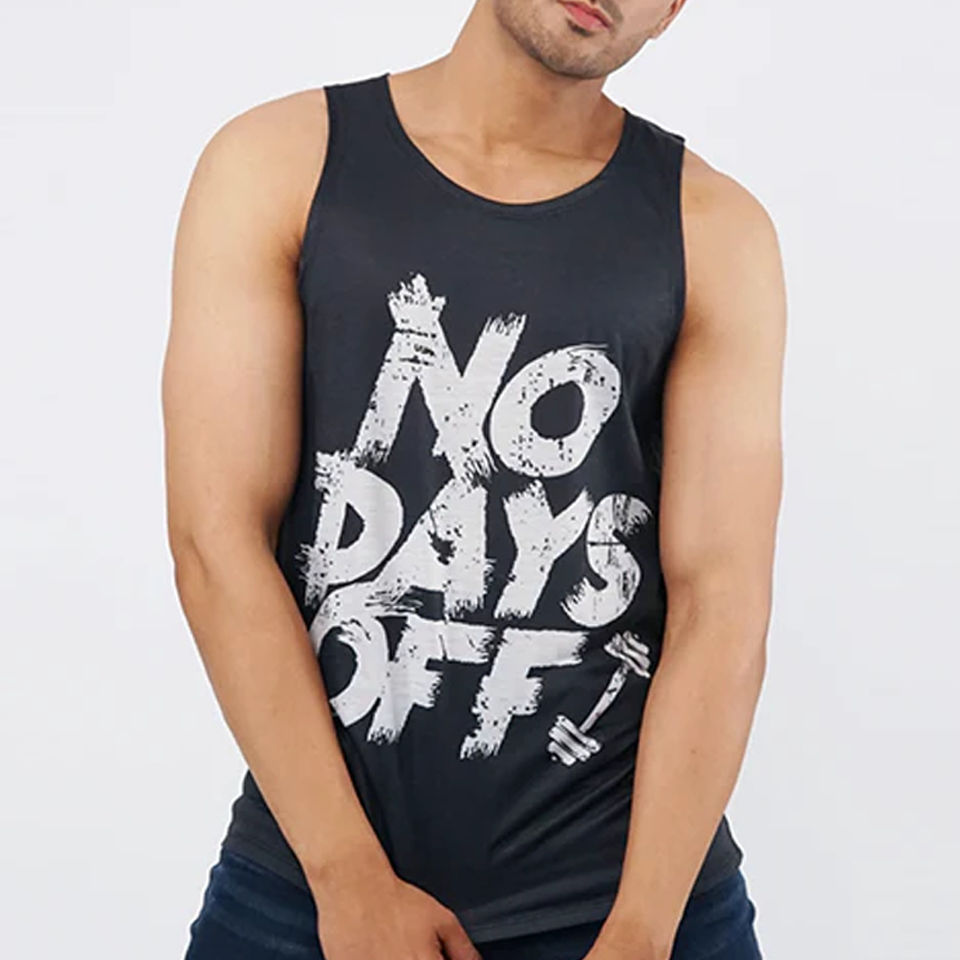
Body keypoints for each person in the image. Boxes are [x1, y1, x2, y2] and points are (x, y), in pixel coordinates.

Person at [162, 1, 786, 957]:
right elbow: (217, 540)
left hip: (635, 901)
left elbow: (722, 600)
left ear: (672, 11)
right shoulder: (280, 163)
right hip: (308, 886)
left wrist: (643, 930)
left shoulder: (714, 229)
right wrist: (347, 877)